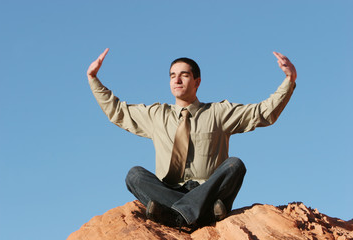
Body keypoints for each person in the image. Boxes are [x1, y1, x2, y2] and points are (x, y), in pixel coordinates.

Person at [86, 48, 297, 230]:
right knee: (134, 175)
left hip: (208, 190)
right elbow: (118, 112)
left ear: (197, 81)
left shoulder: (218, 112)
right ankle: (200, 215)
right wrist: (93, 79)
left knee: (235, 165)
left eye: (184, 75)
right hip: (169, 189)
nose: (176, 80)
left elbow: (262, 113)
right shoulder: (156, 115)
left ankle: (176, 215)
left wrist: (289, 81)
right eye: (172, 75)